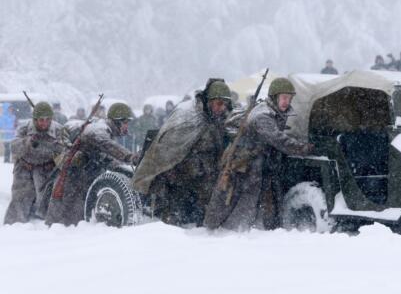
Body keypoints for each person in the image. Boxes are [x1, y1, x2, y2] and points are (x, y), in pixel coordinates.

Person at [205, 77, 313, 231]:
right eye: (283, 97)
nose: (286, 102)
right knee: (234, 198)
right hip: (243, 163)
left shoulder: (272, 112)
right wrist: (302, 148)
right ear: (275, 97)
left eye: (289, 98)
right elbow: (277, 139)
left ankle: (230, 230)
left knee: (241, 199)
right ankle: (228, 233)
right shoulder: (263, 116)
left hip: (251, 163)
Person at [132, 80, 232, 226]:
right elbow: (165, 153)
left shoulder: (218, 120)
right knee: (174, 222)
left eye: (224, 104)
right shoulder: (189, 117)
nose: (222, 108)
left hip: (204, 177)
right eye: (218, 103)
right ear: (209, 101)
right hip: (180, 179)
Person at [45, 103, 137, 226]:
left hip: (83, 172)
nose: (127, 127)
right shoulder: (99, 129)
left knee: (77, 215)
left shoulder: (105, 130)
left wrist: (122, 167)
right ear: (117, 122)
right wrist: (129, 156)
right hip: (72, 172)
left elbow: (104, 157)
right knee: (64, 215)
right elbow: (106, 145)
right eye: (126, 123)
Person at [4, 102, 67, 224]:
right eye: (40, 120)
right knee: (20, 201)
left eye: (47, 120)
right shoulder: (24, 128)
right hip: (24, 169)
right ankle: (14, 230)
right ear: (34, 119)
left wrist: (55, 146)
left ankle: (47, 230)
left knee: (48, 204)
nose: (44, 123)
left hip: (47, 170)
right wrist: (28, 141)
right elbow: (14, 147)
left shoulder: (59, 130)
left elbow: (65, 151)